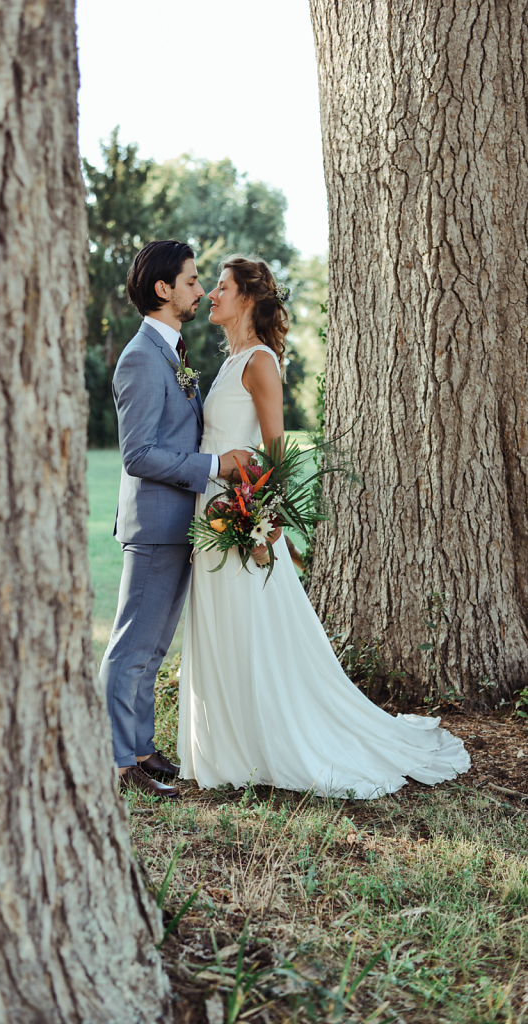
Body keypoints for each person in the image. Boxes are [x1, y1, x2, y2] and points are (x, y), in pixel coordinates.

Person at [177, 255, 470, 798]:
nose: (212, 295)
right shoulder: (227, 358)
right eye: (211, 287)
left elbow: (274, 453)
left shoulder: (260, 362)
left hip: (238, 512)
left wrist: (258, 519)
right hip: (210, 505)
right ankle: (228, 744)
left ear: (246, 299)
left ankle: (269, 742)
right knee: (222, 625)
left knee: (251, 628)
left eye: (221, 287)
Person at [100, 240, 251, 799]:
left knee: (152, 648)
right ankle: (117, 762)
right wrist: (216, 466)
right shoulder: (141, 356)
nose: (201, 290)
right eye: (191, 281)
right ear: (163, 290)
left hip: (177, 524)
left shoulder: (173, 351)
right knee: (131, 647)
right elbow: (137, 453)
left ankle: (140, 748)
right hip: (153, 525)